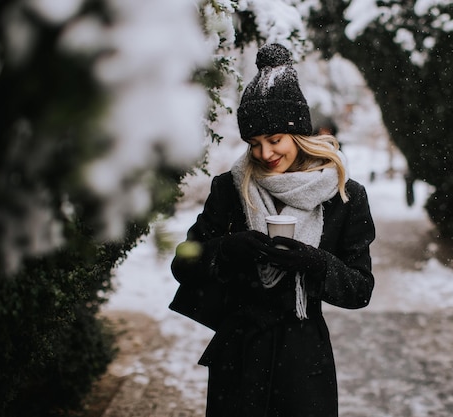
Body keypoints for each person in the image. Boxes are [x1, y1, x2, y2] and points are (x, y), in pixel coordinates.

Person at [169, 43, 375, 417]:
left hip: (304, 364)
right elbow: (183, 264)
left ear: (298, 133)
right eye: (254, 144)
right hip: (240, 358)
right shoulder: (230, 188)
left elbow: (360, 289)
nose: (264, 154)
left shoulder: (344, 196)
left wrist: (313, 261)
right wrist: (230, 247)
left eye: (274, 140)